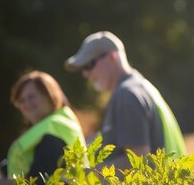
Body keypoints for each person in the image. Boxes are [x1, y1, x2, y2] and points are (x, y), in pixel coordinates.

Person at [64, 31, 186, 169]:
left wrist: (87, 175)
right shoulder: (141, 86)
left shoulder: (126, 96)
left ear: (112, 56)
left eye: (89, 65)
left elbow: (138, 162)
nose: (86, 74)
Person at [0, 71, 86, 185]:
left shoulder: (54, 129)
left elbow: (38, 183)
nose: (26, 104)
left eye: (31, 97)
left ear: (50, 95)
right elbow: (14, 165)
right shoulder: (45, 128)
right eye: (21, 100)